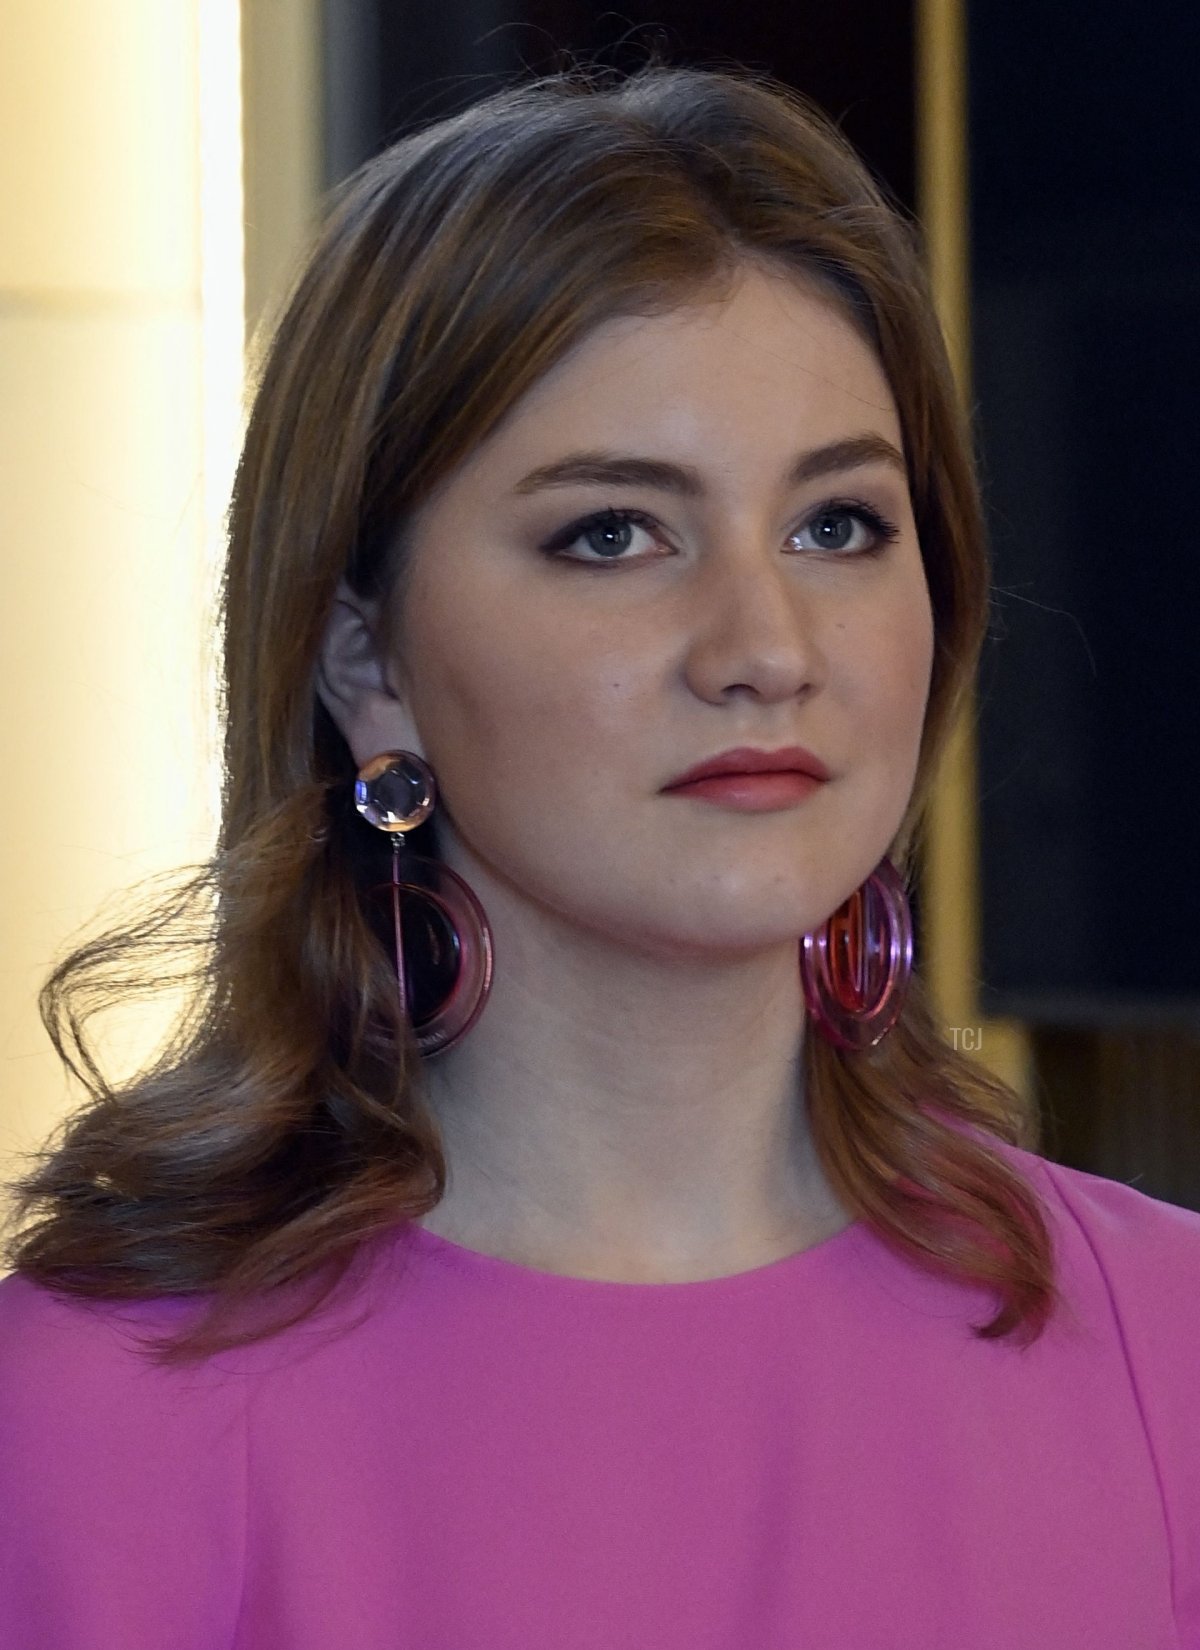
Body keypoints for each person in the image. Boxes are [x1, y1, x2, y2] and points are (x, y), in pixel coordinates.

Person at [1, 59, 1197, 1650]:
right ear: (370, 662)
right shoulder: (90, 1421)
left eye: (838, 523)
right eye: (613, 533)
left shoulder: (1164, 1347)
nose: (767, 648)